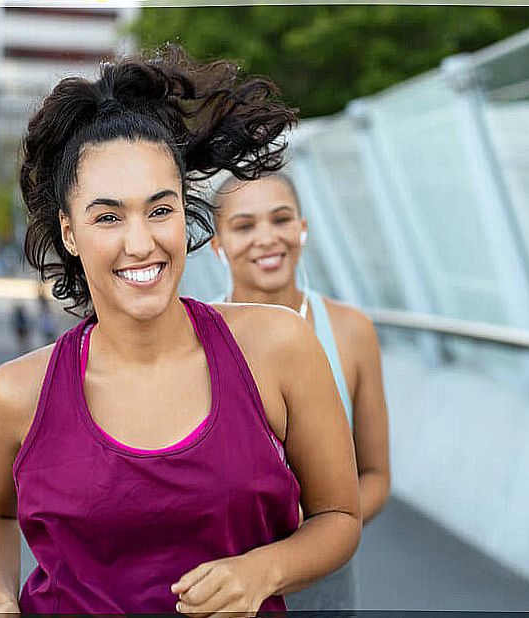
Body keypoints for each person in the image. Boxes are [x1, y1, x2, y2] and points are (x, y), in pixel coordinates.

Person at [0, 46, 361, 615]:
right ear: (69, 232)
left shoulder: (279, 346)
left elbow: (338, 517)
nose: (140, 243)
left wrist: (263, 571)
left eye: (160, 210)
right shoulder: (14, 393)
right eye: (108, 217)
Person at [211, 171, 391, 609]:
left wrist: (318, 530)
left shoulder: (352, 331)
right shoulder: (196, 338)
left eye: (281, 219)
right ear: (218, 246)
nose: (266, 238)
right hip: (225, 584)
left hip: (322, 580)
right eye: (244, 226)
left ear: (303, 228)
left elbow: (376, 476)